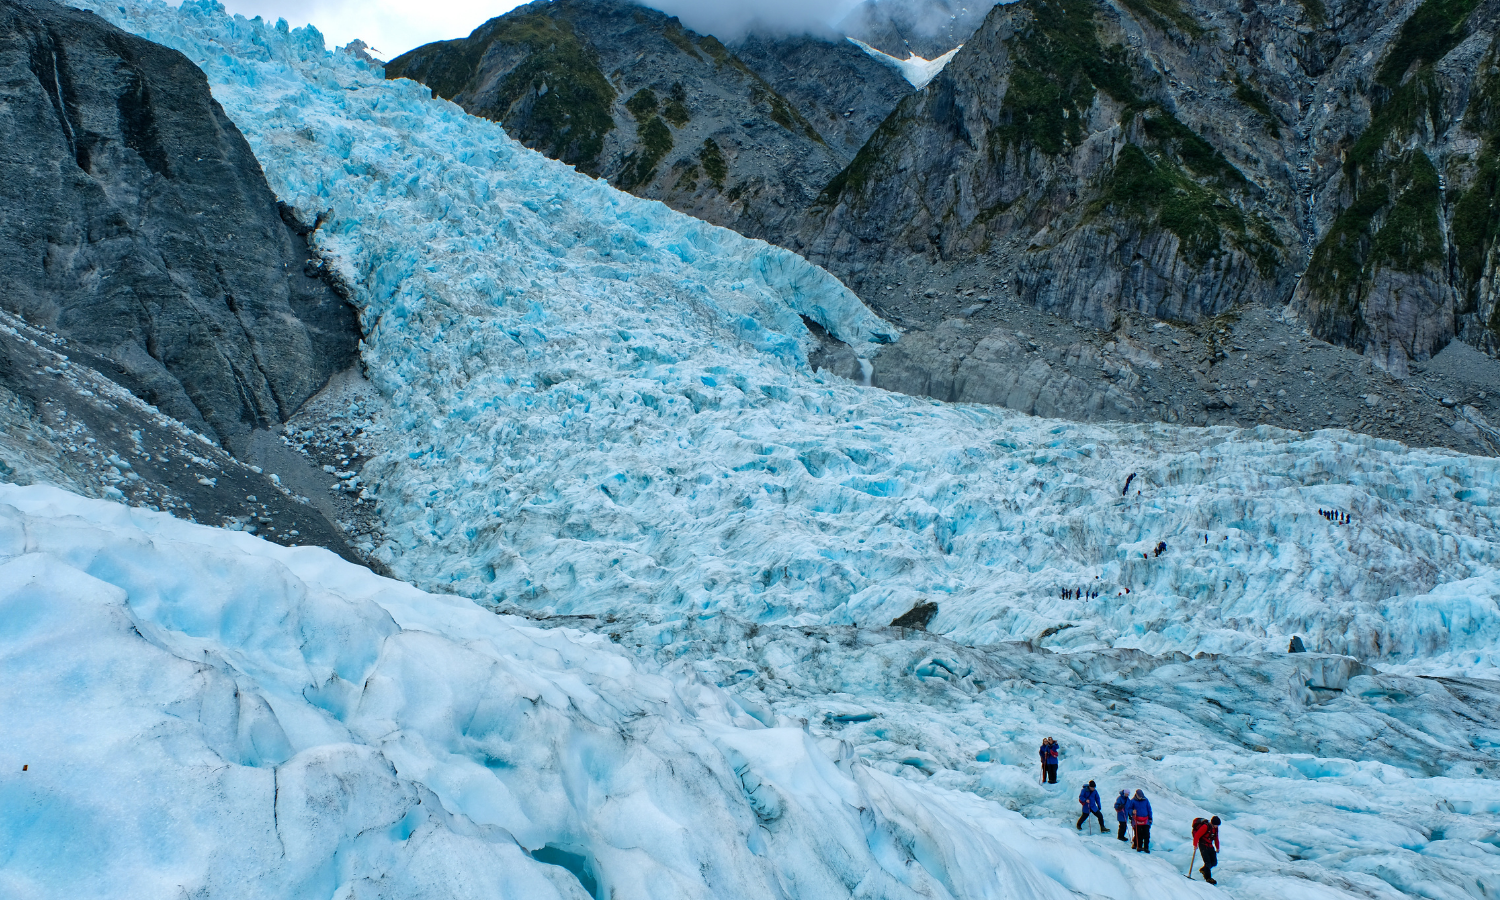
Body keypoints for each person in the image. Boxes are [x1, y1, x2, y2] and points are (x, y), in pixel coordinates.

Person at [1193, 815, 1221, 883]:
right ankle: (1208, 878)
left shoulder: (1215, 829)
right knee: (1208, 863)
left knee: (1214, 862)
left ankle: (1204, 870)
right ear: (1212, 823)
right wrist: (1195, 845)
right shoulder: (1205, 827)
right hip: (1203, 846)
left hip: (1210, 846)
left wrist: (1217, 847)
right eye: (1216, 825)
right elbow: (1197, 836)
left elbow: (1216, 838)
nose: (1217, 826)